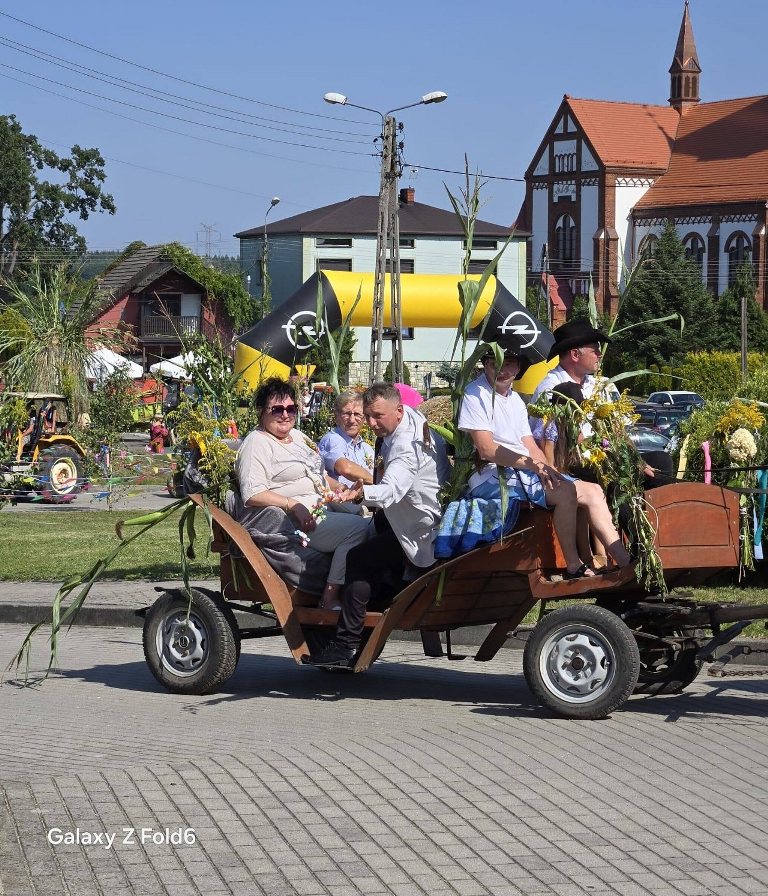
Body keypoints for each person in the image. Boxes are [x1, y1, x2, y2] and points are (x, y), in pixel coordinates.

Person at [304, 382, 450, 668]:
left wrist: (360, 493)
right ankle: (370, 615)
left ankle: (346, 644)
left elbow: (391, 489)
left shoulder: (405, 447)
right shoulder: (412, 418)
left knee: (358, 559)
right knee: (376, 531)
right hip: (415, 513)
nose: (371, 424)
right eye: (368, 415)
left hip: (416, 525)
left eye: (377, 416)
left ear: (399, 410)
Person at [459, 348, 633, 579]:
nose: (502, 370)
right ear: (485, 365)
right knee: (566, 492)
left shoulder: (515, 400)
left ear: (518, 367)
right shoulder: (475, 393)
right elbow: (486, 449)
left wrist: (548, 470)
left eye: (509, 364)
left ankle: (625, 561)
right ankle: (573, 564)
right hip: (492, 477)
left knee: (594, 491)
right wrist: (534, 466)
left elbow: (529, 444)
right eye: (495, 364)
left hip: (521, 471)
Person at [234, 377, 371, 611]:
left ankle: (364, 588)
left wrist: (337, 488)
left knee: (375, 521)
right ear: (261, 411)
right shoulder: (256, 443)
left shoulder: (298, 437)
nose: (285, 415)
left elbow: (318, 474)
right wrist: (292, 504)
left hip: (324, 504)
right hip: (295, 520)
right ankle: (329, 597)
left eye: (291, 408)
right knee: (359, 529)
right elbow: (252, 493)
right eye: (277, 409)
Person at [530, 318, 614, 404]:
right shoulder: (549, 391)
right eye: (594, 351)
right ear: (575, 355)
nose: (600, 354)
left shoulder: (604, 385)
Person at [317, 391, 375, 487]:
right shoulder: (332, 439)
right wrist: (377, 483)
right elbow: (346, 468)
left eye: (357, 414)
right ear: (336, 416)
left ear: (364, 417)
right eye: (347, 414)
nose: (352, 420)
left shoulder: (367, 449)